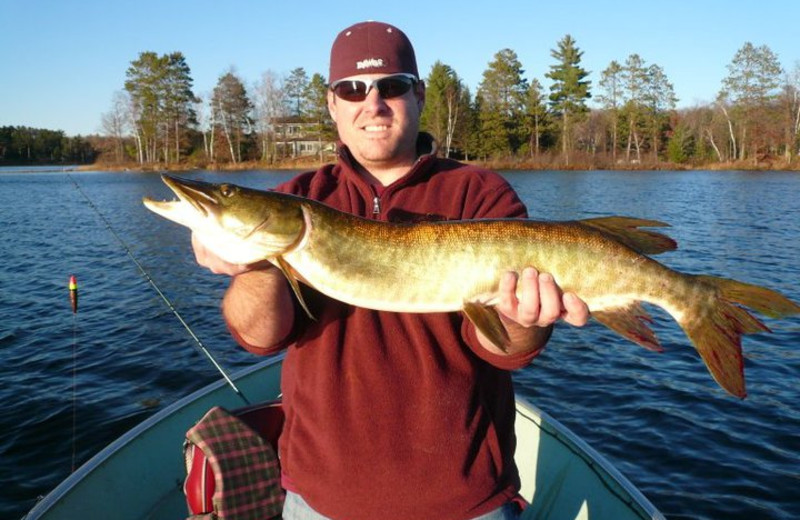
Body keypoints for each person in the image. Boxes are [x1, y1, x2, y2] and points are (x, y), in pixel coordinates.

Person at [192, 20, 590, 520]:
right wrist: (254, 264)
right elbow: (261, 337)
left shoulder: (480, 194)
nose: (372, 104)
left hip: (464, 503)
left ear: (419, 94)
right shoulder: (298, 199)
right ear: (332, 103)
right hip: (319, 502)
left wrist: (524, 318)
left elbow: (505, 348)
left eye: (393, 86)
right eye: (352, 89)